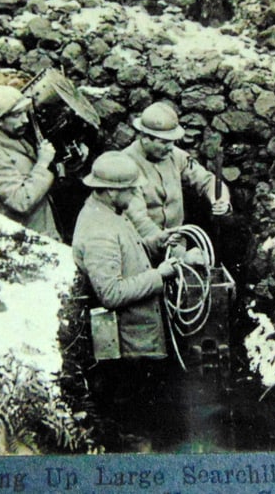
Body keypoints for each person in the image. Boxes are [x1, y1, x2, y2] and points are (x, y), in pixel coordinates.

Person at [71, 151, 185, 451]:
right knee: (136, 420)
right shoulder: (99, 230)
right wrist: (160, 275)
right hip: (130, 348)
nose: (137, 193)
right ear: (110, 191)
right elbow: (111, 293)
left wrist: (157, 241)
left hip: (141, 337)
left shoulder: (109, 214)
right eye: (130, 189)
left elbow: (129, 252)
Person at [122, 102, 231, 244]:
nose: (170, 147)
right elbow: (138, 219)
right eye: (164, 142)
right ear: (145, 138)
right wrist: (174, 250)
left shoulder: (176, 156)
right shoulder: (124, 165)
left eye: (172, 141)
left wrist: (221, 200)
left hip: (176, 244)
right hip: (143, 247)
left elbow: (206, 180)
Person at [0, 85, 60, 240]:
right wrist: (42, 164)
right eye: (17, 115)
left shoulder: (17, 137)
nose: (25, 120)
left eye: (25, 113)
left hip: (45, 230)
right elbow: (20, 202)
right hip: (25, 241)